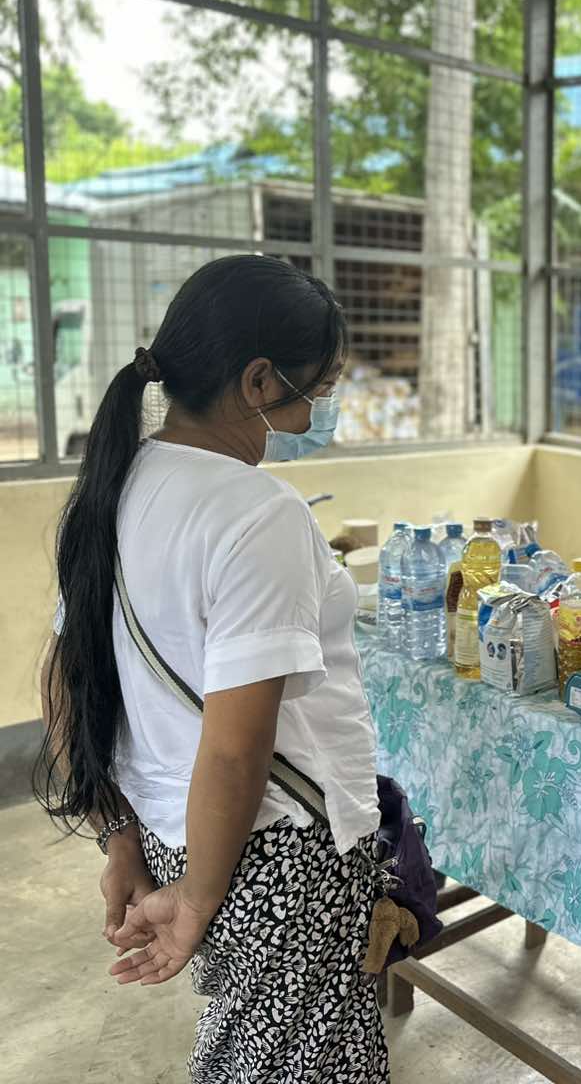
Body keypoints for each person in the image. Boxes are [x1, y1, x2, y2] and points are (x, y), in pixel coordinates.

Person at [32, 256, 387, 1081]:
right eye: (321, 385)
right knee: (301, 1065)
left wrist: (120, 842)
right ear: (261, 381)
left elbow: (64, 685)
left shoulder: (115, 483)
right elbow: (234, 752)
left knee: (248, 1048)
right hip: (276, 858)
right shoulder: (257, 511)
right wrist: (194, 902)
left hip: (175, 837)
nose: (324, 406)